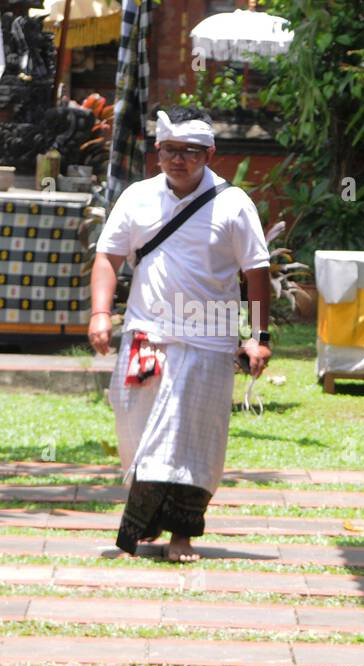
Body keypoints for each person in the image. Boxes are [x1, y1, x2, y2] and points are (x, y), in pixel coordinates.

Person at [89, 106, 271, 563]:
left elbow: (256, 272)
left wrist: (259, 334)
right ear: (158, 151)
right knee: (138, 430)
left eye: (190, 152)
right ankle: (147, 521)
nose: (179, 160)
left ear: (210, 153)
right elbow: (108, 257)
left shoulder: (233, 204)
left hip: (208, 341)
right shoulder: (137, 197)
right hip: (145, 335)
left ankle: (182, 535)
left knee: (191, 439)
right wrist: (99, 313)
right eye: (170, 150)